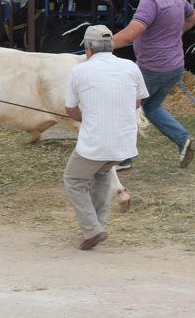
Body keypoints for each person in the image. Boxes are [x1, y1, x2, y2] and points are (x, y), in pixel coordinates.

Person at [64, 25, 148, 250]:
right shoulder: (131, 67)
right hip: (124, 142)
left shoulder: (79, 71)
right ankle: (97, 226)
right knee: (101, 175)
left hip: (96, 142)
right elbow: (138, 102)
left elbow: (70, 111)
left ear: (88, 48)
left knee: (74, 180)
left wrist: (87, 116)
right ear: (111, 46)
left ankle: (93, 230)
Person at [112, 0, 195, 169]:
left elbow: (131, 34)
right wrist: (173, 34)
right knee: (150, 106)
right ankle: (183, 139)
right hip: (175, 66)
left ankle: (123, 158)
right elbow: (194, 17)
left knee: (126, 107)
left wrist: (101, 44)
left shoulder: (151, 1)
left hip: (152, 68)